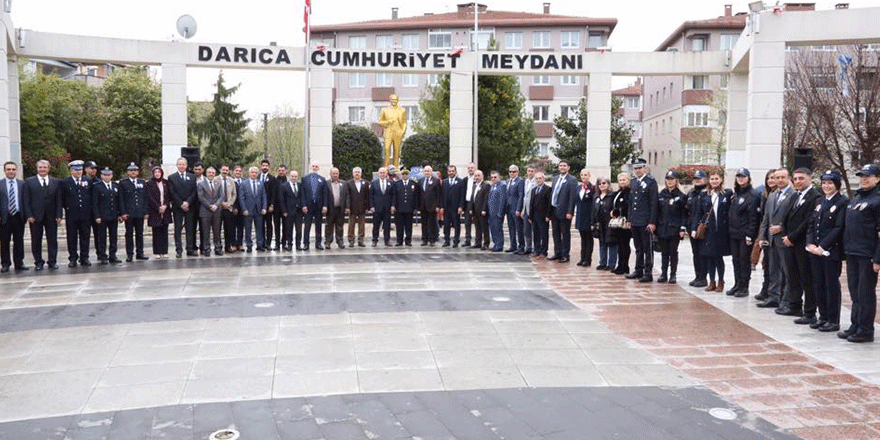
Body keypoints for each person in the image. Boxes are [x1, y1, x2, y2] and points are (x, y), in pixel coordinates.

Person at [838, 164, 880, 343]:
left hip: (867, 254)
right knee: (855, 292)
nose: (864, 179)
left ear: (877, 178)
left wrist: (877, 258)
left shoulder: (877, 200)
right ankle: (855, 325)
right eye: (861, 176)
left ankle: (866, 329)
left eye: (868, 176)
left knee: (865, 293)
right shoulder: (856, 199)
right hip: (853, 252)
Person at [806, 170, 847, 333]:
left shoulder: (842, 202)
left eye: (830, 183)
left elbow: (838, 228)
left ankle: (833, 319)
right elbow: (811, 224)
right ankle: (822, 316)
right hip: (815, 251)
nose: (826, 186)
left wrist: (822, 247)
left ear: (837, 184)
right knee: (819, 285)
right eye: (824, 183)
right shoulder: (820, 201)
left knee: (831, 286)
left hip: (830, 251)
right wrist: (810, 244)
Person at [781, 168, 820, 321]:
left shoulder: (815, 197)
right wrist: (786, 235)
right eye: (795, 179)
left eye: (801, 178)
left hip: (803, 243)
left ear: (810, 178)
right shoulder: (794, 196)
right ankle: (794, 306)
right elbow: (787, 217)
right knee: (793, 276)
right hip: (790, 243)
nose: (797, 181)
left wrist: (792, 237)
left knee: (807, 279)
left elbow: (809, 221)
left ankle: (809, 312)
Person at [758, 169, 795, 309]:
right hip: (771, 240)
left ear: (788, 178)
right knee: (773, 270)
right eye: (776, 177)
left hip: (784, 239)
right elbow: (766, 218)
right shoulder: (772, 195)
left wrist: (781, 228)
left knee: (786, 272)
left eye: (782, 177)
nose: (779, 180)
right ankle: (773, 297)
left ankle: (786, 300)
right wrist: (762, 236)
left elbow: (795, 219)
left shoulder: (793, 195)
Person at [692, 171, 732, 292]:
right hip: (708, 230)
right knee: (709, 257)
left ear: (721, 180)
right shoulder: (704, 195)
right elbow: (698, 213)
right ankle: (712, 281)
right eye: (712, 179)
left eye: (716, 178)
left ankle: (721, 281)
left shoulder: (727, 194)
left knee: (718, 257)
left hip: (721, 230)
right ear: (709, 181)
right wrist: (694, 228)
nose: (714, 181)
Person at [23, 160, 62, 270]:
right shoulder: (29, 182)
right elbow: (26, 201)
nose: (42, 169)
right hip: (35, 217)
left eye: (45, 167)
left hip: (52, 216)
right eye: (40, 167)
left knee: (52, 240)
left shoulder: (55, 182)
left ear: (49, 168)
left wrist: (59, 214)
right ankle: (38, 262)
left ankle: (52, 262)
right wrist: (29, 215)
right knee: (36, 240)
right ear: (37, 168)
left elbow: (59, 200)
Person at [728, 168, 761, 297]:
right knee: (735, 260)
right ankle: (737, 284)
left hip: (745, 234)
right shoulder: (735, 194)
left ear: (748, 178)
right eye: (739, 177)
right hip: (734, 233)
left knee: (744, 261)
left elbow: (753, 217)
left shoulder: (752, 195)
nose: (741, 179)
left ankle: (744, 287)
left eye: (743, 177)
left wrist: (749, 234)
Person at [627, 158, 659, 282]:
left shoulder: (651, 182)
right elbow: (631, 203)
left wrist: (652, 222)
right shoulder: (634, 182)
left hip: (646, 220)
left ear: (644, 168)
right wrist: (630, 219)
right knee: (638, 248)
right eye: (635, 168)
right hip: (635, 220)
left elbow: (653, 203)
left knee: (647, 248)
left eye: (640, 168)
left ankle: (648, 272)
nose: (638, 170)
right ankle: (638, 270)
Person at [61, 160, 93, 267]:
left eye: (80, 170)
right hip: (72, 215)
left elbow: (91, 196)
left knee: (85, 237)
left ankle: (85, 258)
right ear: (71, 171)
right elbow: (63, 199)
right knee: (72, 238)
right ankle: (73, 258)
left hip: (85, 214)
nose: (78, 172)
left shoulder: (87, 180)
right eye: (75, 170)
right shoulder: (65, 182)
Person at [656, 171, 687, 283]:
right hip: (663, 228)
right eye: (668, 179)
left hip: (675, 228)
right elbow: (657, 212)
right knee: (664, 252)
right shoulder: (661, 195)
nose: (670, 181)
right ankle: (663, 273)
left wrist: (682, 228)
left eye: (672, 179)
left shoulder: (681, 196)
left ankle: (673, 274)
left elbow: (684, 213)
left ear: (676, 180)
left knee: (673, 252)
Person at [754, 169, 778, 302]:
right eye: (769, 178)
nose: (771, 180)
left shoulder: (781, 195)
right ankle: (766, 289)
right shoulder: (765, 194)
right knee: (766, 263)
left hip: (776, 234)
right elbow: (763, 217)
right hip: (766, 233)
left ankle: (773, 292)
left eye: (773, 178)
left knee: (774, 265)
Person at [119, 162, 149, 262]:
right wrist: (123, 212)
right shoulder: (123, 183)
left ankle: (140, 253)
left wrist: (145, 212)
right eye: (131, 170)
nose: (133, 172)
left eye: (135, 170)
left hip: (139, 212)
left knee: (140, 234)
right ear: (128, 172)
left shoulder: (142, 182)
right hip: (129, 213)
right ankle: (130, 254)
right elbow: (121, 199)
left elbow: (145, 198)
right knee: (129, 234)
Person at [168, 157, 197, 258]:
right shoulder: (172, 177)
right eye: (180, 164)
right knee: (178, 229)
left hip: (189, 207)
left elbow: (194, 192)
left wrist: (188, 202)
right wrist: (181, 203)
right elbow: (172, 192)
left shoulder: (192, 177)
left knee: (190, 229)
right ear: (177, 165)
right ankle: (179, 250)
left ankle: (189, 249)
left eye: (183, 164)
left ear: (186, 165)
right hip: (178, 207)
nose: (181, 166)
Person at [549, 160, 578, 262]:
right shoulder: (555, 179)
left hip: (565, 212)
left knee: (565, 234)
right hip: (554, 210)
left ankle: (565, 254)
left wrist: (570, 211)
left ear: (568, 167)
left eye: (564, 166)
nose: (562, 167)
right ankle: (557, 253)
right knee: (555, 233)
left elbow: (572, 197)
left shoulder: (572, 180)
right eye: (560, 165)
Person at [0, 161, 27, 272]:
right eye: (9, 169)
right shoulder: (0, 184)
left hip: (18, 216)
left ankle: (19, 263)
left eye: (13, 169)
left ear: (16, 171)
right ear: (4, 171)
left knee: (19, 241)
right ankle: (5, 263)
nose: (11, 171)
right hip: (4, 217)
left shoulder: (22, 184)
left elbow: (26, 201)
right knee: (4, 241)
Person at [92, 167, 121, 265]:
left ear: (112, 176)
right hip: (102, 217)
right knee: (102, 237)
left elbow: (119, 201)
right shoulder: (97, 186)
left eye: (109, 175)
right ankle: (103, 256)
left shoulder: (116, 185)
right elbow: (94, 203)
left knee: (113, 237)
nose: (107, 176)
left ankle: (113, 255)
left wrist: (120, 214)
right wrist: (97, 216)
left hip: (113, 216)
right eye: (105, 175)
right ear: (101, 176)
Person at [145, 166, 172, 258]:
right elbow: (149, 197)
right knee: (156, 231)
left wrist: (165, 205)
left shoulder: (166, 182)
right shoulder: (149, 183)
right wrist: (158, 207)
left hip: (165, 210)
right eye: (155, 172)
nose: (157, 174)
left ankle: (164, 251)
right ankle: (157, 252)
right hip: (155, 211)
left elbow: (169, 195)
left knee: (164, 230)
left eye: (159, 172)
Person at [300, 161, 327, 250]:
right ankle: (306, 244)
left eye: (316, 166)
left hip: (318, 206)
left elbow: (325, 194)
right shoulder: (305, 179)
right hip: (308, 206)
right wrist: (303, 205)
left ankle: (318, 243)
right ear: (310, 167)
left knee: (318, 225)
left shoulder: (322, 179)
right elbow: (302, 193)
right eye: (313, 166)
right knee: (307, 225)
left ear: (318, 168)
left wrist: (325, 206)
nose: (315, 167)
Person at [197, 167, 224, 256]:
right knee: (205, 232)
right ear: (206, 173)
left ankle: (218, 248)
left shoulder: (219, 183)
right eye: (209, 172)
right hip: (205, 211)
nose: (211, 174)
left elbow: (222, 196)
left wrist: (216, 205)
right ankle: (206, 249)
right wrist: (209, 206)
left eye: (213, 173)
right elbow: (201, 197)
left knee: (217, 231)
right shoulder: (201, 184)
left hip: (216, 211)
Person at [241, 166, 268, 252]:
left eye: (255, 172)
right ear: (249, 173)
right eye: (252, 172)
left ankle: (260, 245)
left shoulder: (261, 183)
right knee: (248, 229)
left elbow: (264, 196)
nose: (254, 174)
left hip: (259, 210)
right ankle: (249, 246)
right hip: (248, 210)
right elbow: (241, 198)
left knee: (259, 228)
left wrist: (264, 207)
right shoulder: (244, 183)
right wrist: (244, 209)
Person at [592, 177, 617, 271]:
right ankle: (602, 262)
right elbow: (593, 211)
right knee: (602, 243)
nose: (602, 185)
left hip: (610, 223)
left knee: (611, 243)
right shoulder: (596, 197)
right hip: (600, 223)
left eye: (604, 183)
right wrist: (593, 223)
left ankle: (611, 264)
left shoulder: (612, 196)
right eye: (600, 184)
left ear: (608, 184)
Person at [610, 173, 632, 275]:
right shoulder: (618, 193)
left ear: (628, 180)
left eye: (624, 180)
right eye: (620, 180)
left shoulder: (629, 192)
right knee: (620, 245)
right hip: (617, 223)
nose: (622, 182)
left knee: (625, 245)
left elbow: (628, 207)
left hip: (625, 223)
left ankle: (624, 266)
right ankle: (620, 265)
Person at [392, 169, 419, 246]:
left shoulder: (413, 184)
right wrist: (393, 205)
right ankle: (399, 240)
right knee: (399, 226)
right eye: (403, 174)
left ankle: (408, 240)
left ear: (408, 175)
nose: (405, 175)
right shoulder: (397, 184)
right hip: (399, 208)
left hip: (409, 208)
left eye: (406, 174)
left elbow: (415, 197)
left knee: (409, 226)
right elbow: (394, 196)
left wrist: (415, 207)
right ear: (401, 175)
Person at [574, 169, 595, 267]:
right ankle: (582, 258)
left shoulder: (593, 188)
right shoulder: (579, 188)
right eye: (582, 175)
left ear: (589, 176)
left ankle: (588, 259)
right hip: (580, 216)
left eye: (585, 175)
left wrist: (593, 220)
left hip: (588, 216)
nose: (583, 177)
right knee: (583, 238)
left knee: (588, 238)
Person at [345, 167, 370, 247]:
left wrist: (367, 208)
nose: (357, 173)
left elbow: (367, 196)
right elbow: (347, 196)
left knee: (361, 225)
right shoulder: (348, 183)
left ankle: (361, 240)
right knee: (351, 225)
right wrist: (347, 207)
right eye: (355, 172)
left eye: (358, 172)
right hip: (352, 207)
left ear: (361, 173)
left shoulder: (365, 183)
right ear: (353, 173)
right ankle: (351, 240)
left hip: (362, 207)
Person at [529, 171, 551, 259]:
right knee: (536, 234)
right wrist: (530, 216)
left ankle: (543, 252)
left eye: (540, 178)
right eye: (537, 178)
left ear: (544, 179)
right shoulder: (534, 190)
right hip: (534, 216)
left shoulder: (548, 189)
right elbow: (531, 203)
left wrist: (548, 215)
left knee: (544, 234)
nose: (538, 180)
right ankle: (537, 250)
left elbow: (549, 203)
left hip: (543, 216)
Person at [323, 167, 347, 249]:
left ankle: (340, 241)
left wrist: (347, 207)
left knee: (340, 226)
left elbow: (346, 196)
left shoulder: (344, 183)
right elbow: (324, 196)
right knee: (329, 226)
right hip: (330, 209)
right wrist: (324, 206)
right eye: (334, 173)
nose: (335, 175)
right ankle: (328, 241)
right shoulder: (326, 183)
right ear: (330, 174)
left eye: (337, 173)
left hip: (340, 209)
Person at [279, 170, 303, 251]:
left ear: (297, 177)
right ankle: (289, 244)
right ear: (290, 176)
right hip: (288, 212)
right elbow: (282, 200)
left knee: (299, 230)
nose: (294, 178)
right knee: (289, 229)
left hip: (298, 211)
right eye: (292, 176)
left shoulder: (300, 185)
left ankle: (298, 244)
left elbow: (302, 197)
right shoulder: (284, 186)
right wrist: (284, 211)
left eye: (295, 176)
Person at [217, 165, 238, 254]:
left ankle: (228, 246)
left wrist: (230, 203)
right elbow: (213, 194)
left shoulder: (231, 181)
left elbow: (234, 194)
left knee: (228, 228)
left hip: (228, 208)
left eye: (227, 170)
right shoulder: (215, 180)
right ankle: (218, 247)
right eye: (223, 170)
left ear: (228, 171)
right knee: (217, 229)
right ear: (220, 170)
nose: (225, 171)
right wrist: (220, 203)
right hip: (218, 208)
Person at [371, 167, 394, 246]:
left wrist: (393, 205)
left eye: (384, 173)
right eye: (381, 173)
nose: (382, 174)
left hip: (387, 208)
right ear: (378, 174)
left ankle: (387, 240)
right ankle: (374, 239)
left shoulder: (391, 183)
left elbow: (393, 195)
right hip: (377, 208)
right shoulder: (374, 183)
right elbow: (371, 196)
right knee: (376, 225)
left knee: (387, 225)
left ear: (386, 174)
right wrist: (371, 206)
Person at [441, 165, 463, 247]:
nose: (451, 173)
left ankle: (456, 240)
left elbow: (462, 195)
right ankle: (447, 240)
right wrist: (442, 206)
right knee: (446, 225)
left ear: (455, 172)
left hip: (456, 207)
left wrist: (461, 206)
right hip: (446, 207)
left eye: (452, 171)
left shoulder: (460, 181)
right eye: (449, 171)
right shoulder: (444, 182)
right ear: (447, 172)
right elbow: (442, 195)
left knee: (456, 224)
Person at [419, 165, 441, 246]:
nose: (427, 172)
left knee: (432, 223)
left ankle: (432, 239)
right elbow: (419, 193)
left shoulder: (436, 181)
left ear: (431, 172)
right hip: (423, 206)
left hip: (432, 206)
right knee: (424, 223)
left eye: (428, 171)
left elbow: (439, 194)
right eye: (425, 171)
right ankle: (424, 239)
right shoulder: (420, 180)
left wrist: (438, 205)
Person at [259, 160, 279, 250]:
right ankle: (261, 243)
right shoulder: (257, 177)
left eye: (266, 166)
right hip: (258, 206)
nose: (265, 167)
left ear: (269, 167)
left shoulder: (272, 178)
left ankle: (268, 243)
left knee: (269, 225)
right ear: (261, 166)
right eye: (263, 165)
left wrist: (271, 205)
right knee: (260, 225)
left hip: (268, 206)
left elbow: (274, 193)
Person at [505, 165, 524, 253]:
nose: (512, 173)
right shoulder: (508, 181)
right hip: (509, 208)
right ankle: (513, 245)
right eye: (510, 171)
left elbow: (521, 195)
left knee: (519, 228)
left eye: (514, 171)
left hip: (516, 208)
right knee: (511, 228)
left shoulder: (520, 181)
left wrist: (519, 209)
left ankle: (521, 246)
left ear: (517, 172)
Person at [517, 166, 536, 256]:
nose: (530, 173)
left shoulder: (536, 182)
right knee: (526, 230)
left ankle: (536, 248)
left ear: (535, 172)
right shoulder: (525, 182)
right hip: (525, 210)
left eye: (532, 171)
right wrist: (522, 210)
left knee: (535, 230)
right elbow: (524, 197)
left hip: (534, 210)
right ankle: (528, 247)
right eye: (528, 171)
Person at [487, 171, 508, 252]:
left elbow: (503, 200)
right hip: (491, 212)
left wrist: (501, 212)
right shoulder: (492, 186)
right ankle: (495, 244)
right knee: (493, 229)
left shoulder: (502, 185)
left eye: (495, 177)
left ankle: (499, 245)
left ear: (499, 177)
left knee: (498, 229)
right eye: (492, 177)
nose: (493, 179)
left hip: (498, 212)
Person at [471, 170, 491, 250]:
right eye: (475, 176)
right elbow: (473, 198)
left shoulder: (486, 185)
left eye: (478, 175)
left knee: (484, 228)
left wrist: (484, 209)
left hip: (482, 211)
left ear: (482, 176)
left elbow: (486, 199)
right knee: (477, 227)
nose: (477, 177)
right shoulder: (474, 185)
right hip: (475, 210)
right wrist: (471, 209)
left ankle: (486, 243)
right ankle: (478, 242)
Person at [460, 163, 477, 247]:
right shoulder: (465, 180)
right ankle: (468, 239)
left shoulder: (477, 179)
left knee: (478, 223)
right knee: (467, 223)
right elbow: (462, 193)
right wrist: (461, 206)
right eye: (469, 168)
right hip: (467, 203)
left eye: (472, 168)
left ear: (475, 169)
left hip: (476, 204)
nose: (470, 169)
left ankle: (478, 241)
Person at [230, 166, 246, 253]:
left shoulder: (245, 181)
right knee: (232, 227)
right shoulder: (230, 181)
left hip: (242, 208)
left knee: (241, 227)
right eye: (236, 170)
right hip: (233, 207)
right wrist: (234, 207)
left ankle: (240, 243)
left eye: (240, 171)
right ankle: (233, 244)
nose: (238, 172)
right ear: (233, 172)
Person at [271, 164, 287, 250]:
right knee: (276, 226)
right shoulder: (274, 180)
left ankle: (284, 243)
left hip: (285, 208)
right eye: (280, 170)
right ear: (278, 171)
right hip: (276, 208)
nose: (281, 172)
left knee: (285, 227)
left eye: (283, 170)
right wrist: (272, 205)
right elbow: (272, 194)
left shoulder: (288, 181)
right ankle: (277, 243)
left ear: (285, 171)